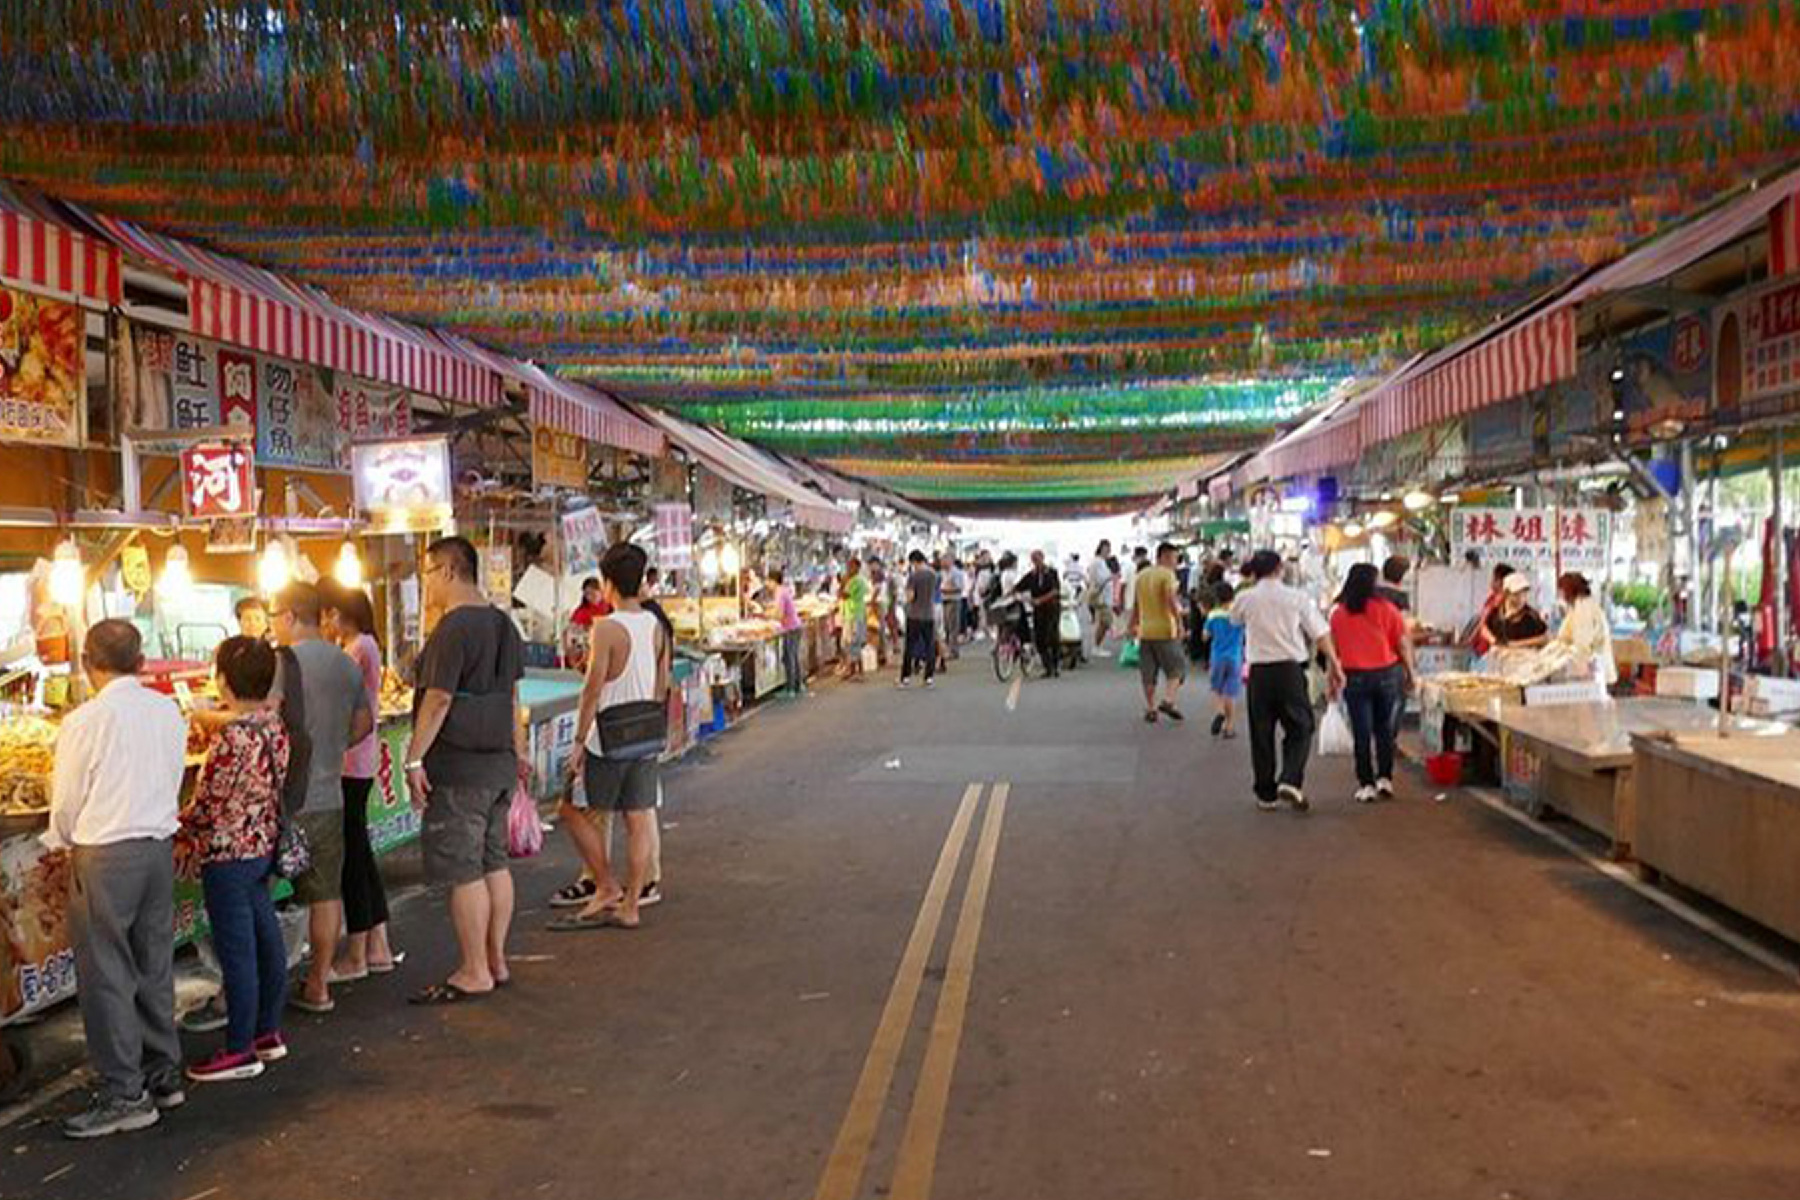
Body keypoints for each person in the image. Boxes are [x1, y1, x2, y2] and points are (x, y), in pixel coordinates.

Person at [47, 620, 188, 1137]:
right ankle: (163, 1073)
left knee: (107, 972)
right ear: (141, 661)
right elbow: (174, 776)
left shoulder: (85, 721)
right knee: (154, 962)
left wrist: (63, 839)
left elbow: (66, 801)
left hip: (105, 852)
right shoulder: (166, 710)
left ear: (88, 663)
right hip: (156, 847)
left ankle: (124, 1094)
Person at [403, 536, 525, 1003]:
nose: (427, 585)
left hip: (460, 767)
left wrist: (414, 758)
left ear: (449, 571)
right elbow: (513, 698)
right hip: (499, 765)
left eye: (428, 574)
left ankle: (474, 969)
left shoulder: (453, 629)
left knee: (465, 870)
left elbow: (438, 699)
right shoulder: (503, 624)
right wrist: (517, 755)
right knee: (494, 861)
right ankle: (496, 959)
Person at [178, 636, 291, 1084]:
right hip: (263, 846)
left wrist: (179, 826)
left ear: (223, 680)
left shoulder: (231, 738)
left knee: (237, 952)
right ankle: (267, 1031)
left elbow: (209, 802)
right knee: (266, 939)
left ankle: (240, 1047)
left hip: (227, 854)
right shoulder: (274, 725)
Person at [552, 542, 673, 932]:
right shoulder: (655, 625)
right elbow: (662, 684)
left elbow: (592, 689)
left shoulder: (605, 628)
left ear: (608, 583)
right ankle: (631, 905)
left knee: (571, 809)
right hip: (645, 735)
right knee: (637, 820)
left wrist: (577, 743)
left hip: (607, 737)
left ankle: (605, 884)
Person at [270, 582, 372, 1015]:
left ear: (290, 616)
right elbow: (365, 722)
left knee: (259, 893)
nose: (273, 625)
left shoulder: (280, 663)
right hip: (330, 795)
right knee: (325, 893)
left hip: (285, 802)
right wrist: (332, 748)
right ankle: (318, 985)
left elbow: (264, 717)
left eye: (274, 615)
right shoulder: (344, 662)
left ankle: (255, 992)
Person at [319, 584, 400, 981]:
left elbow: (338, 702)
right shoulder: (363, 645)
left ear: (336, 613)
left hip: (350, 762)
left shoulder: (358, 649)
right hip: (359, 762)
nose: (324, 622)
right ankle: (377, 946)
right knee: (361, 856)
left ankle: (357, 955)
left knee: (353, 859)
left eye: (326, 615)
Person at [1232, 550, 1345, 813]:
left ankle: (1266, 793)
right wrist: (1335, 664)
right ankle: (1290, 779)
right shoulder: (1297, 597)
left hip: (1259, 673)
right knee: (1301, 726)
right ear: (1280, 569)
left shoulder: (1245, 598)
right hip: (1290, 671)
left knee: (1261, 732)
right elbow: (1320, 633)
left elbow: (1234, 620)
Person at [1330, 564, 1417, 804]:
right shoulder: (1387, 609)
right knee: (1384, 730)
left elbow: (1334, 652)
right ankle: (1385, 779)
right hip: (1386, 675)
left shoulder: (1339, 613)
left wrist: (1332, 680)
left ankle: (1366, 784)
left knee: (1361, 732)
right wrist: (1411, 673)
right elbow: (1402, 644)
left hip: (1355, 677)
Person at [1129, 543, 1187, 723]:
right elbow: (1170, 599)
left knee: (1148, 672)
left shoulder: (1142, 575)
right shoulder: (1167, 575)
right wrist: (1179, 623)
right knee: (1177, 668)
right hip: (1165, 630)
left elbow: (1137, 604)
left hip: (1145, 630)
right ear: (1164, 557)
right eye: (1174, 558)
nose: (1176, 563)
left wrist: (1133, 624)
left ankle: (1151, 707)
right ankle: (1168, 700)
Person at [1553, 572, 1617, 685]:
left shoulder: (1583, 608)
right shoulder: (1580, 605)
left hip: (1590, 671)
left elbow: (1582, 644)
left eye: (1561, 591)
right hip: (1589, 669)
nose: (1561, 595)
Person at [1205, 582, 1244, 738]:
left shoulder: (1213, 615)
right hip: (1235, 657)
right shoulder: (1238, 614)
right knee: (1230, 693)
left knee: (1217, 688)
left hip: (1217, 656)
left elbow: (1205, 635)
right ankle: (1229, 727)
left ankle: (1220, 711)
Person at [1016, 550, 1063, 678]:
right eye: (1034, 560)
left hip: (1051, 608)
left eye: (1037, 559)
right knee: (1039, 638)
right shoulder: (1031, 575)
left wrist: (1041, 600)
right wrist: (1009, 595)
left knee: (1052, 636)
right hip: (1038, 610)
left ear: (1042, 558)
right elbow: (1019, 587)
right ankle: (1048, 667)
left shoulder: (1051, 573)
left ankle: (1055, 665)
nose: (1036, 562)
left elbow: (1055, 591)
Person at [899, 550, 939, 689]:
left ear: (914, 561)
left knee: (910, 647)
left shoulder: (914, 576)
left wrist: (906, 599)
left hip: (914, 615)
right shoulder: (933, 574)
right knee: (929, 646)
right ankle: (929, 678)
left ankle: (905, 678)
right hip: (929, 614)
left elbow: (910, 597)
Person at [1485, 573, 1550, 649]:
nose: (1521, 598)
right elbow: (1484, 627)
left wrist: (1514, 644)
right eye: (1516, 594)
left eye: (1524, 593)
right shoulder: (1496, 612)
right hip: (1499, 654)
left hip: (1524, 654)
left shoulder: (1531, 616)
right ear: (1506, 593)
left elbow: (1545, 638)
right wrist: (1493, 640)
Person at [771, 568, 806, 697]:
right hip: (794, 626)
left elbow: (779, 614)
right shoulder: (783, 591)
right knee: (793, 657)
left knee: (789, 657)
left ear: (773, 581)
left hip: (791, 628)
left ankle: (790, 688)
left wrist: (768, 616)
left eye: (768, 581)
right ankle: (798, 685)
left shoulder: (780, 593)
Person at [1468, 564, 1516, 655]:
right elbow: (1482, 623)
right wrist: (1471, 640)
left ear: (1503, 582)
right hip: (1480, 648)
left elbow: (1483, 624)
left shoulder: (1506, 603)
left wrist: (1471, 639)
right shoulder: (1491, 598)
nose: (1492, 582)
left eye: (1495, 579)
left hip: (1490, 651)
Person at [1087, 543, 1116, 658]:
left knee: (1104, 622)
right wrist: (1110, 577)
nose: (1108, 552)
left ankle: (1098, 646)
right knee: (1105, 622)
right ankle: (1096, 646)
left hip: (1105, 596)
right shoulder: (1097, 562)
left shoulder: (1101, 562)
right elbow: (1099, 579)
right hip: (1102, 597)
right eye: (1106, 549)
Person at [942, 558, 967, 656]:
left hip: (953, 600)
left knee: (953, 626)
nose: (942, 563)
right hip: (945, 599)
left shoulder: (956, 573)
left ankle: (953, 650)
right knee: (947, 626)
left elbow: (959, 587)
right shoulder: (944, 572)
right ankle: (949, 648)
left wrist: (947, 589)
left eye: (944, 561)